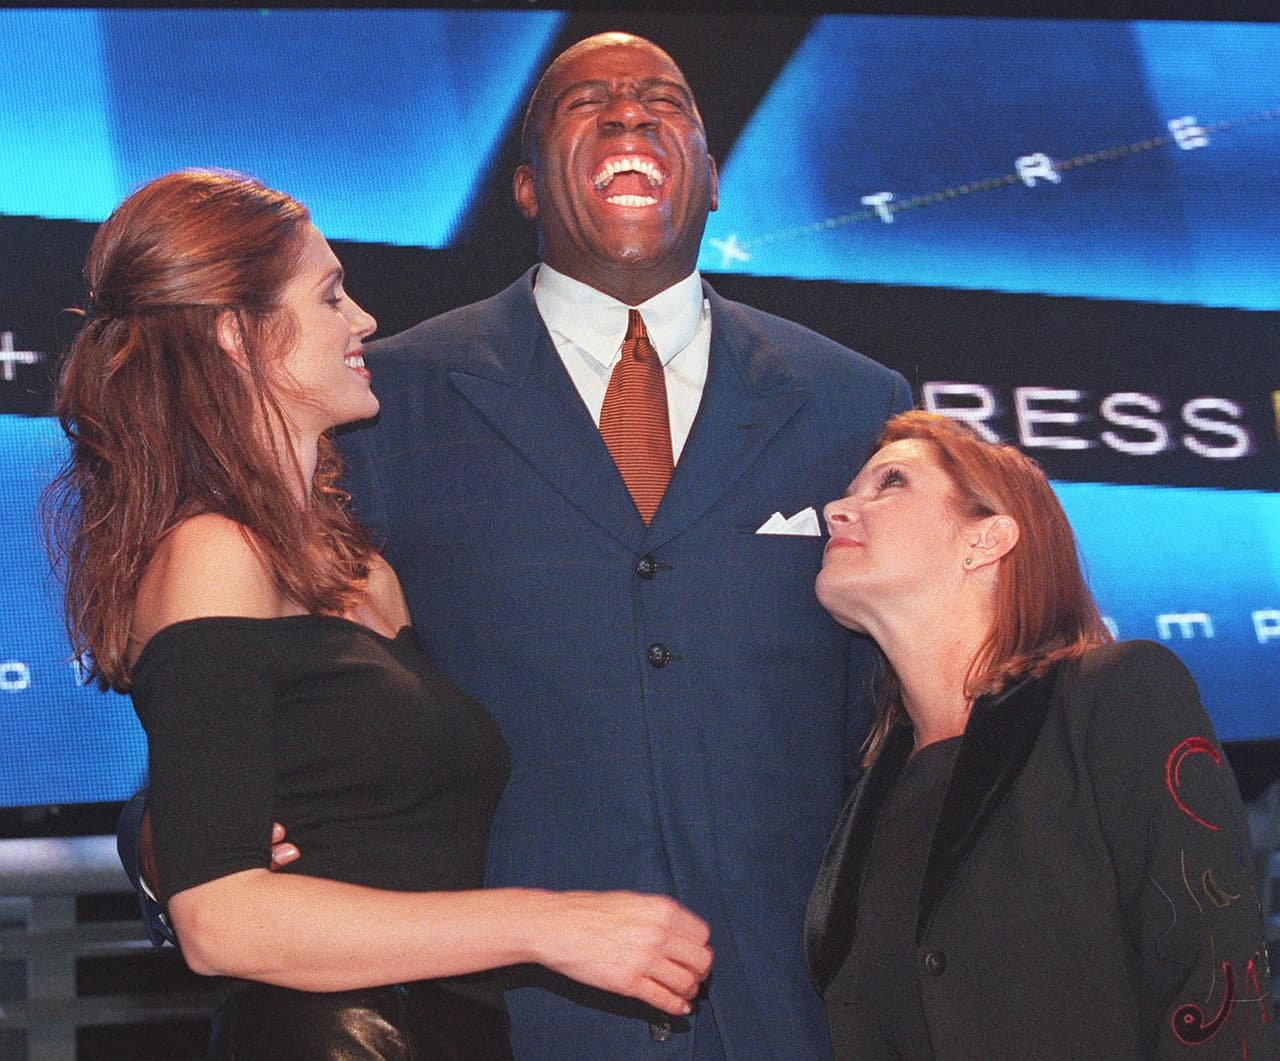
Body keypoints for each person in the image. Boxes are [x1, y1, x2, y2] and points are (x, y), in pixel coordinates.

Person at [123, 32, 910, 1057]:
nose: (629, 114)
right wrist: (165, 843)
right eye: (587, 103)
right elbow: (263, 692)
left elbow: (893, 730)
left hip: (789, 1010)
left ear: (715, 181)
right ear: (527, 185)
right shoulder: (376, 403)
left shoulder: (855, 402)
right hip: (503, 1019)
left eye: (663, 100)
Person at [47, 169, 714, 1059]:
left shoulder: (361, 565)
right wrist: (545, 925)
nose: (363, 319)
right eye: (329, 296)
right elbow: (220, 919)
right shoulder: (213, 552)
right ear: (235, 336)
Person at [804, 410, 1274, 1059]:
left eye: (889, 483)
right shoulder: (868, 788)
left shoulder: (1116, 694)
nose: (837, 510)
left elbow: (1217, 987)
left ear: (987, 538)